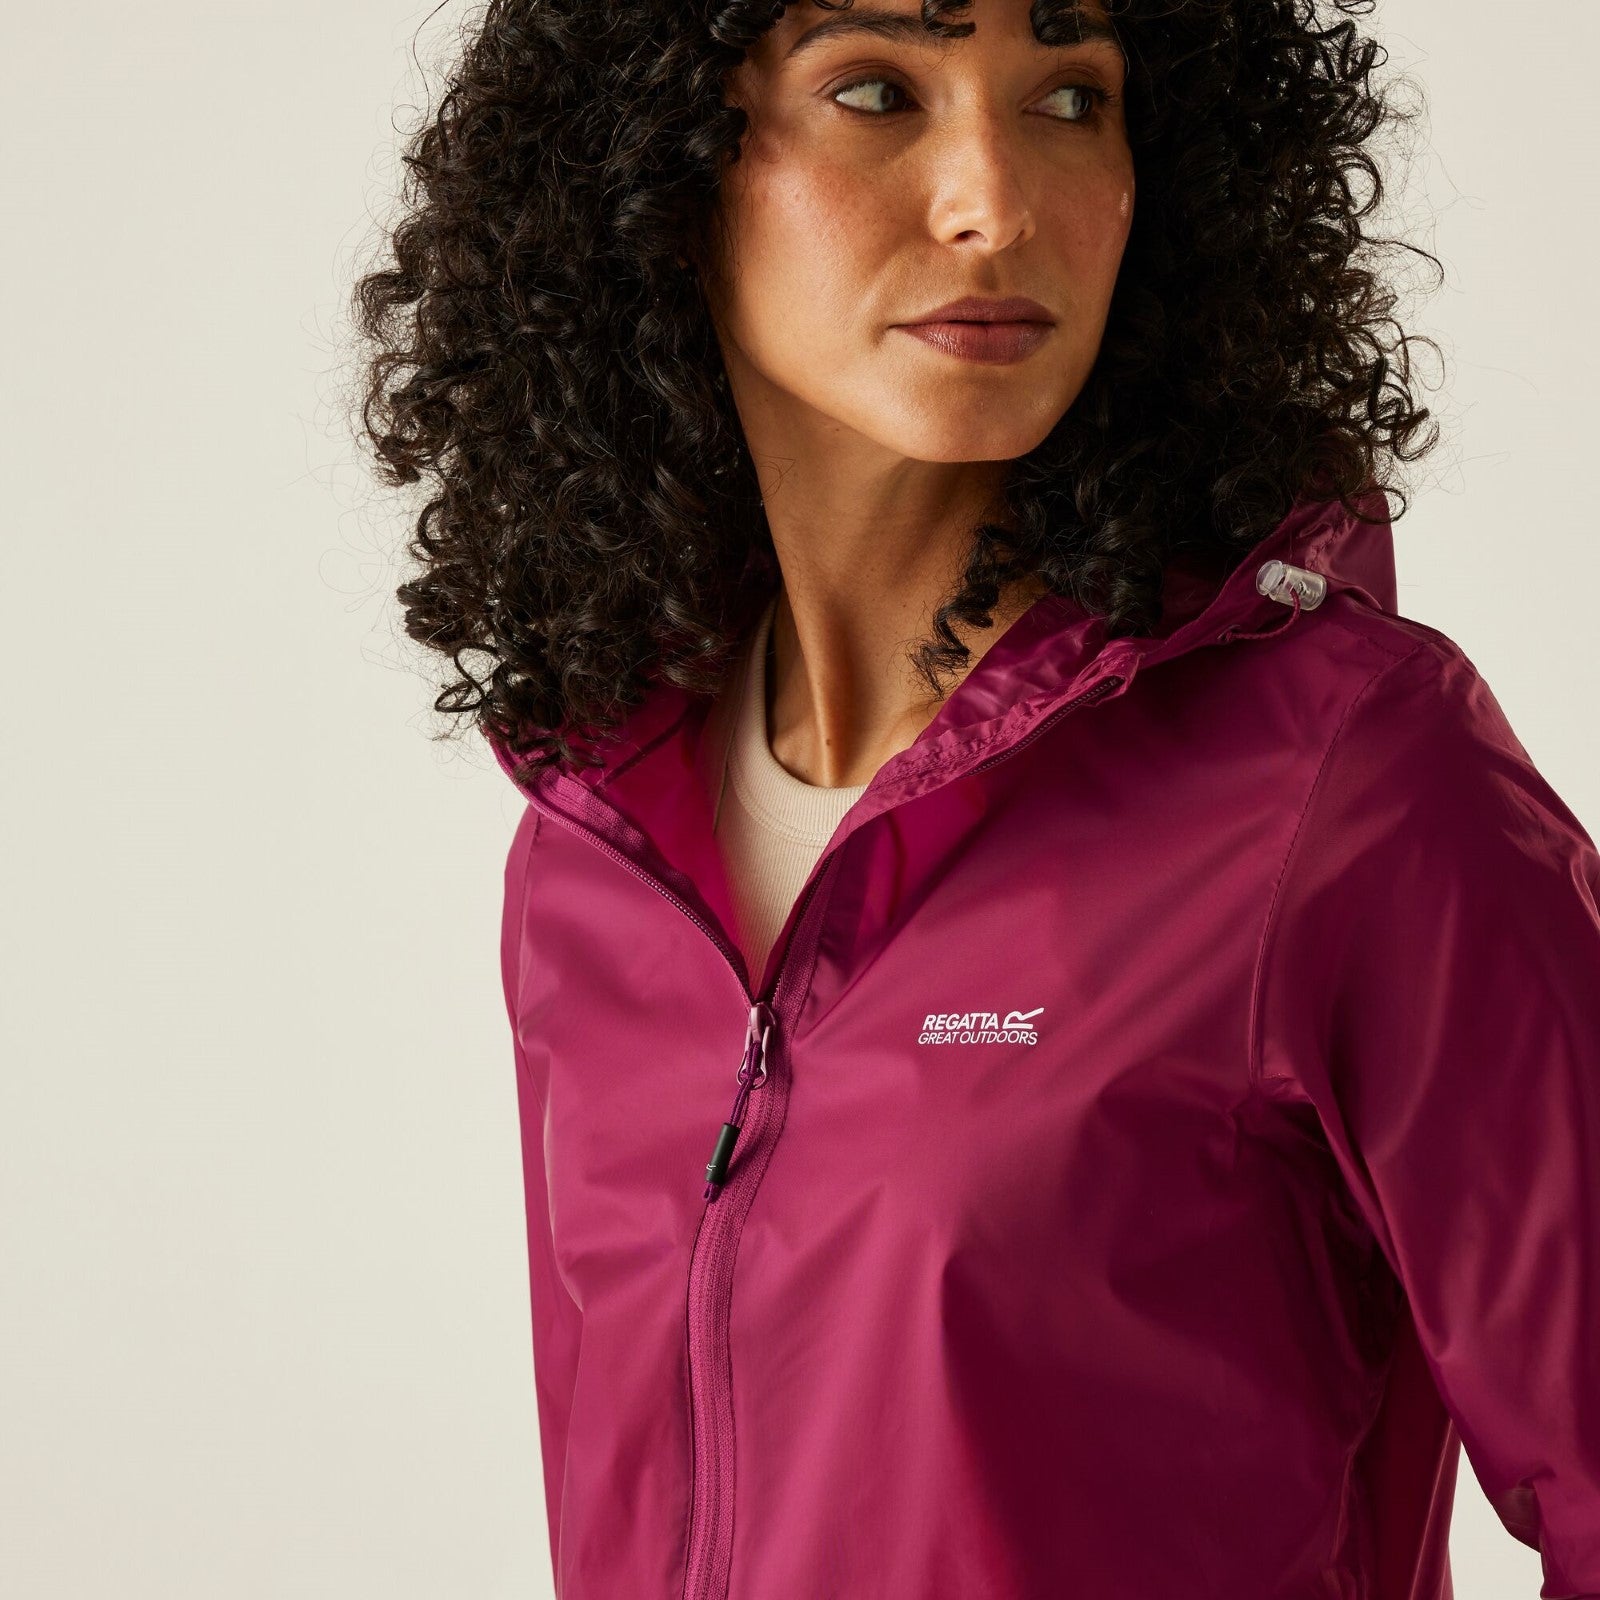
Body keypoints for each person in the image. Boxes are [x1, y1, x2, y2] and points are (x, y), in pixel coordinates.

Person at [349, 1, 1600, 1595]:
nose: (995, 205)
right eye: (877, 90)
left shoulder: (1345, 782)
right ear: (658, 163)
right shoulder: (598, 845)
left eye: (1072, 99)